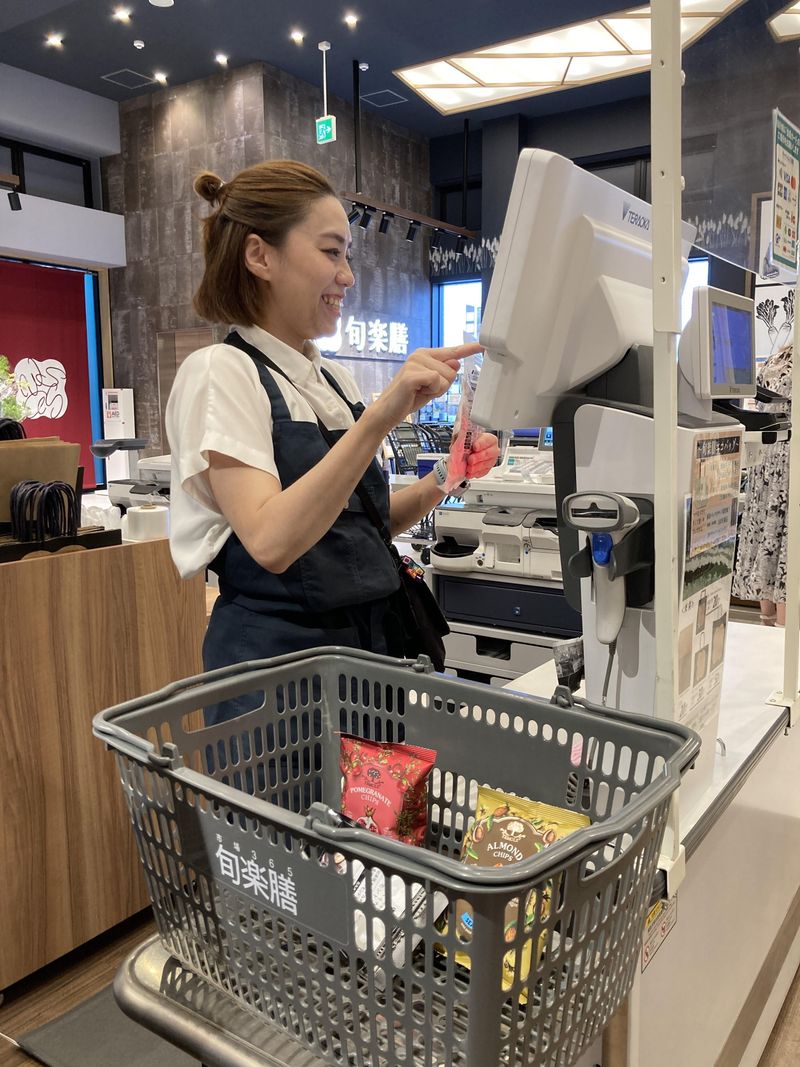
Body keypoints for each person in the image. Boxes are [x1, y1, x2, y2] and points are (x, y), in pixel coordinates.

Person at [166, 160, 499, 717]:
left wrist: (448, 475)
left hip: (366, 660)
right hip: (277, 680)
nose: (347, 275)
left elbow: (361, 526)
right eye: (331, 251)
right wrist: (380, 418)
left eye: (347, 255)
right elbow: (271, 541)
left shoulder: (332, 380)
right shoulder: (219, 372)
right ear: (259, 256)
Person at [732, 344, 792, 626]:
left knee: (768, 535)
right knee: (787, 543)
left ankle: (768, 624)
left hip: (766, 453)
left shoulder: (777, 357)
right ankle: (783, 634)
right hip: (791, 457)